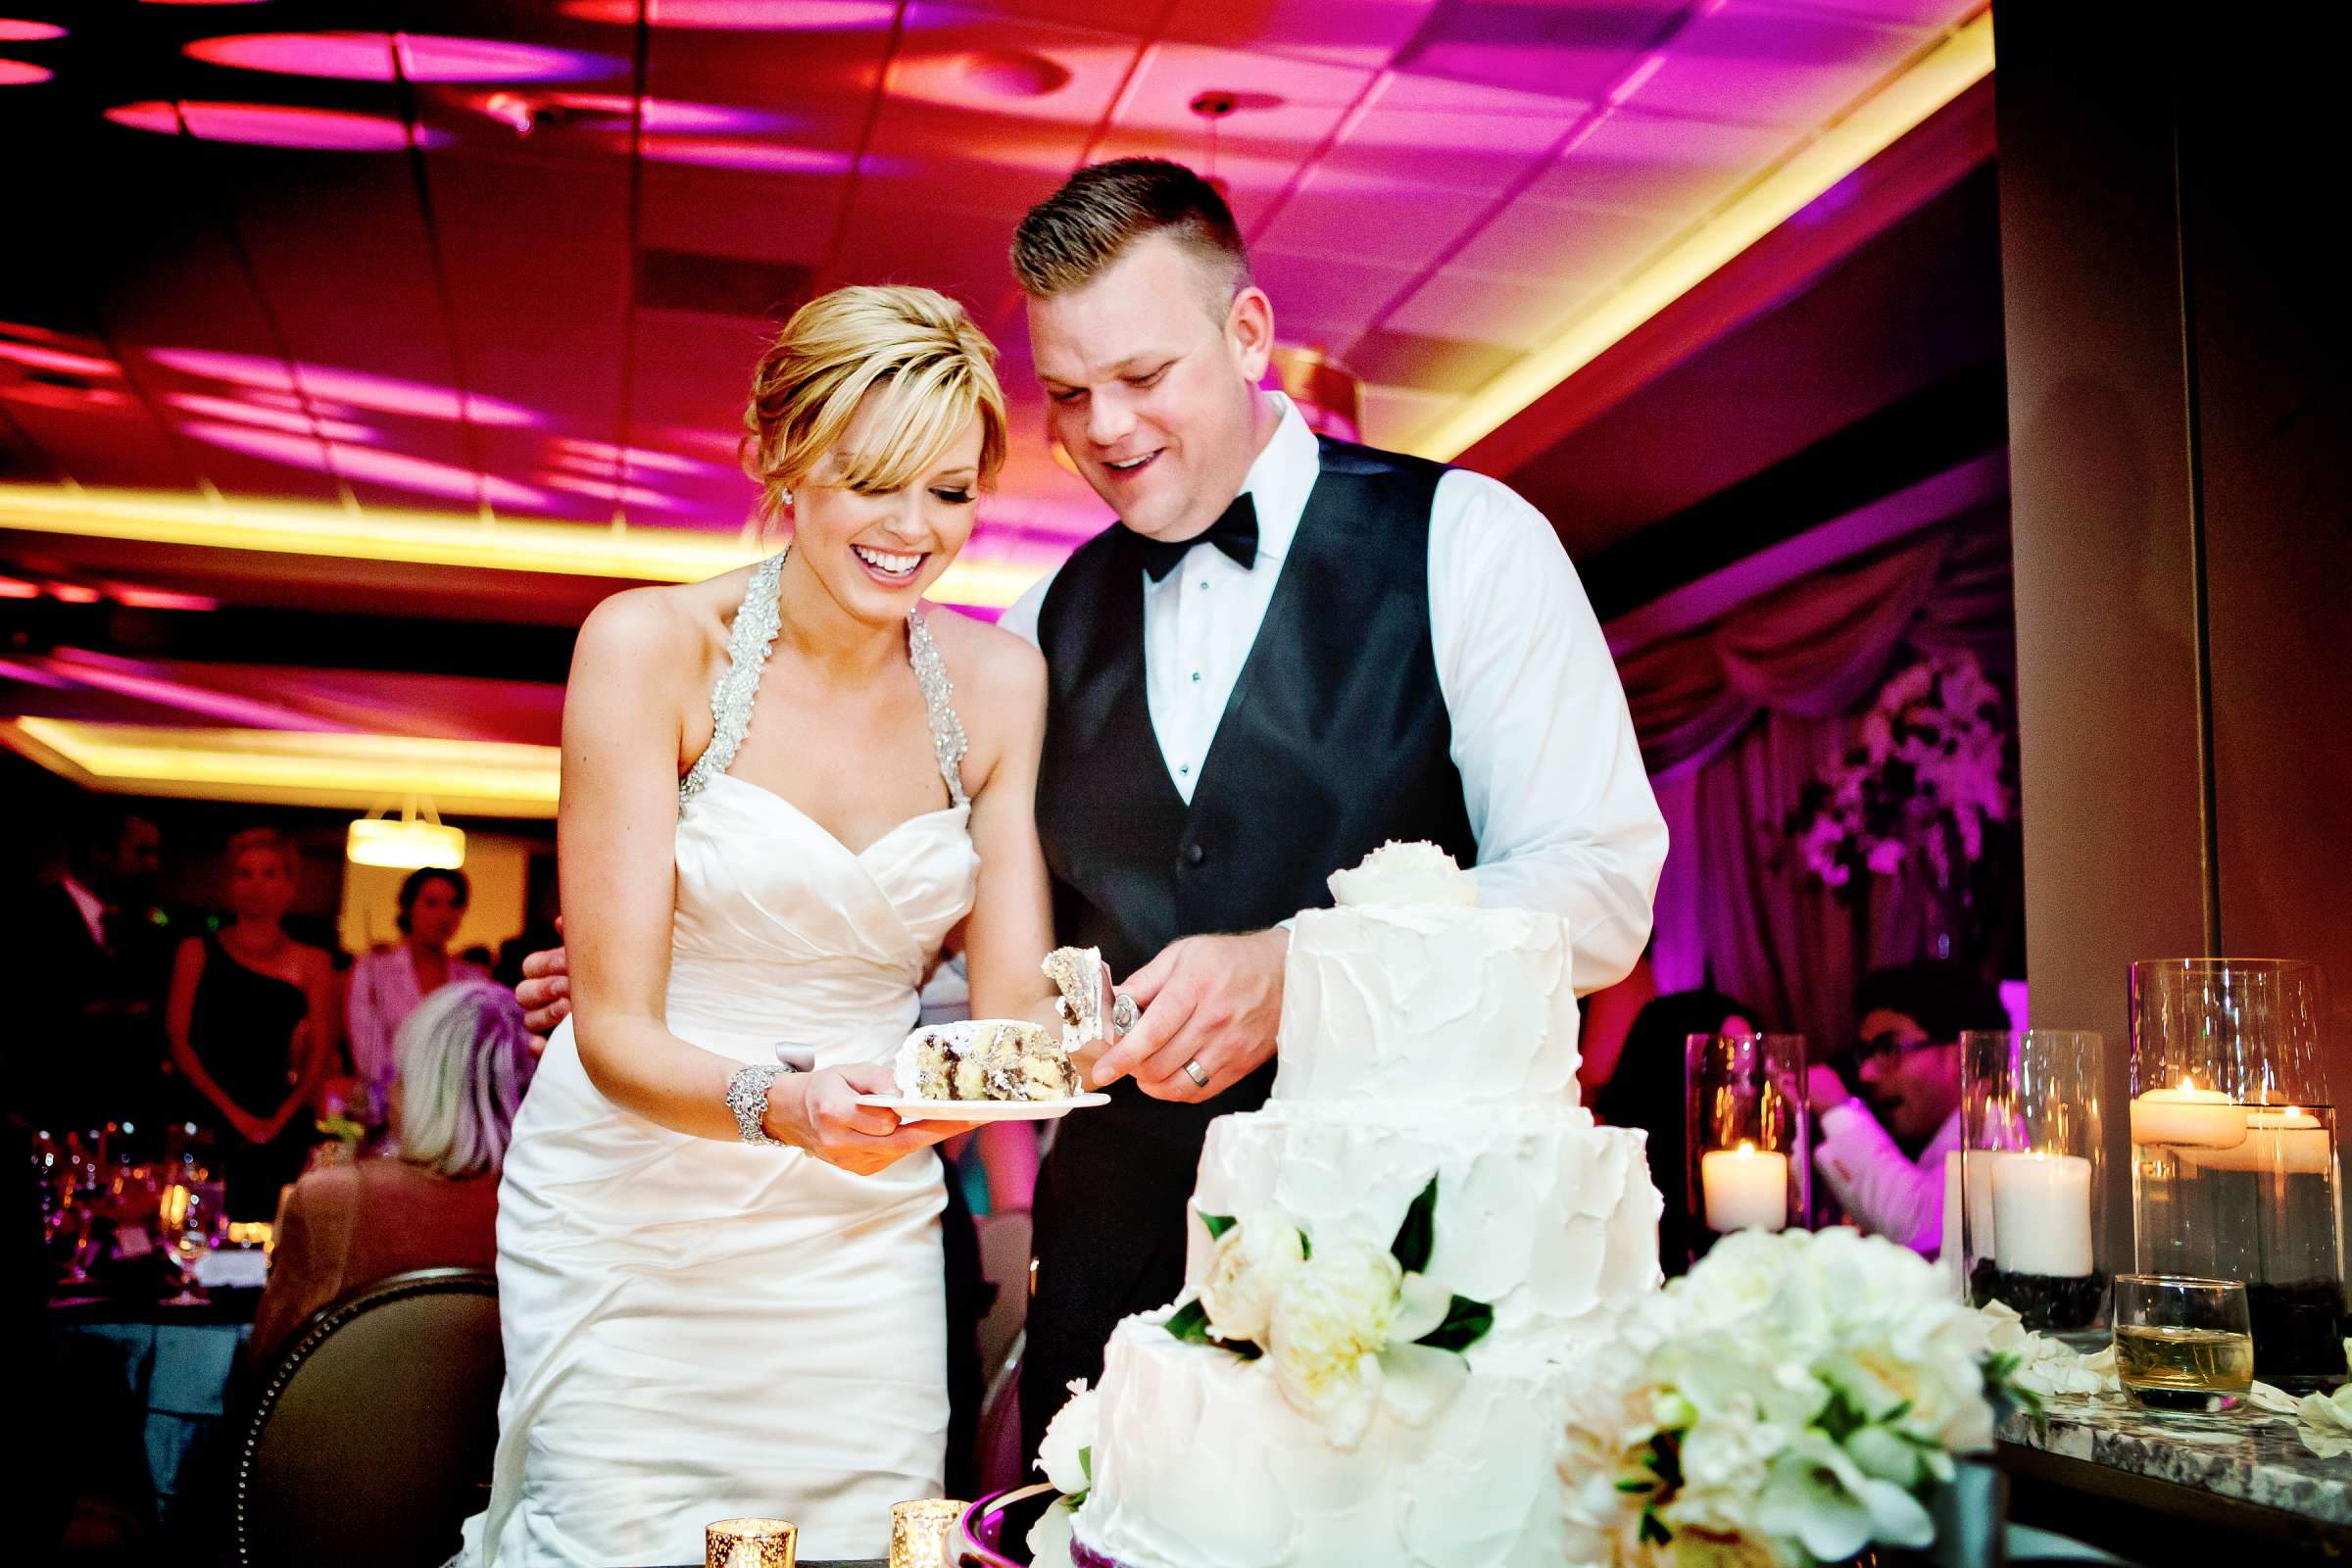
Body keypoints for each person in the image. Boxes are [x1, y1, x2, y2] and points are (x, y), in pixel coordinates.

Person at [520, 159, 1668, 1457]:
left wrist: (1305, 971)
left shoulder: (1467, 540)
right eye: (1068, 394)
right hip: (1116, 1295)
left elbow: (1598, 896)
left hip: (1409, 1283)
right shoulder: (1024, 640)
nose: (1104, 429)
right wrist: (692, 981)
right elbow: (995, 980)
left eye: (1142, 378)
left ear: (1248, 335)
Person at [459, 284, 1062, 1568]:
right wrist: (781, 1107)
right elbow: (613, 1029)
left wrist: (1045, 1055)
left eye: (950, 492)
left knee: (850, 1544)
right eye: (873, 481)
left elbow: (1010, 1028)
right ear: (785, 459)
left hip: (863, 1224)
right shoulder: (650, 646)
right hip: (635, 1206)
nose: (914, 530)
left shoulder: (1003, 686)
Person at [250, 979, 534, 1364]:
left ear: (420, 1088)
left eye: (398, 1075)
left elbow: (267, 1367)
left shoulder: (333, 1199)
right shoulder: (550, 1211)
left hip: (334, 1421)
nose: (391, 1095)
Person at [164, 828, 337, 1221]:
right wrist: (231, 1112)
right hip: (204, 1113)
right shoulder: (196, 950)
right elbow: (179, 1041)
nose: (256, 885)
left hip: (279, 1119)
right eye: (244, 873)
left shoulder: (313, 961)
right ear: (229, 883)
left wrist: (280, 1118)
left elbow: (321, 1049)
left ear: (290, 884)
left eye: (269, 873)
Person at [1801, 958, 2010, 1255]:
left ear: (1964, 1056)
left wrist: (1837, 1110)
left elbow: (1920, 1231)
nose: (1866, 1074)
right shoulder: (1935, 1144)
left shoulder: (2002, 1134)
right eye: (1867, 1054)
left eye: (1890, 1049)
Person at [11, 804, 168, 1129]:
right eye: (141, 852)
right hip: (46, 1107)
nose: (153, 865)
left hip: (114, 1115)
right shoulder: (37, 916)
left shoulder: (134, 925)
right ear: (99, 851)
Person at [1591, 988, 1758, 1274]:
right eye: (1728, 1071)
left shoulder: (1756, 1169)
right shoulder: (1614, 1176)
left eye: (1750, 1074)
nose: (1744, 1092)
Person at [346, 868, 489, 1126]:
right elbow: (368, 1054)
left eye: (453, 904)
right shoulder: (374, 970)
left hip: (452, 1116)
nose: (444, 915)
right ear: (408, 907)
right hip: (385, 1114)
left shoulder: (472, 979)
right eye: (431, 903)